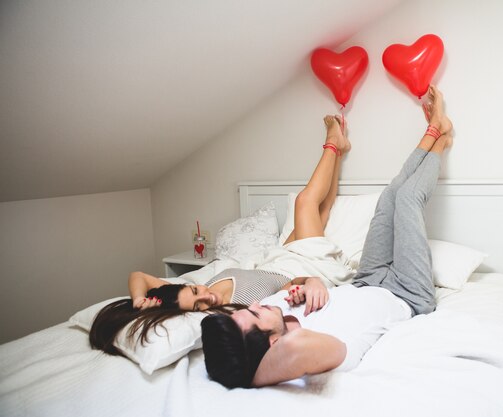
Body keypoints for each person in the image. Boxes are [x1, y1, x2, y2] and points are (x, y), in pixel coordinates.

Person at [201, 85, 453, 388]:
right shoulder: (328, 348)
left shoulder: (276, 311)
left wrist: (311, 282)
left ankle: (435, 131)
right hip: (408, 294)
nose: (254, 305)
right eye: (253, 317)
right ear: (271, 347)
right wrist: (248, 374)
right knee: (409, 199)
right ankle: (439, 139)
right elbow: (294, 350)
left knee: (389, 197)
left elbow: (289, 284)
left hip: (366, 278)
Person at [89, 115, 354, 355]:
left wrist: (139, 301)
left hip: (279, 256)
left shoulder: (183, 295)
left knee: (323, 211)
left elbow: (138, 276)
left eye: (196, 290)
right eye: (198, 307)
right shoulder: (238, 310)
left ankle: (339, 151)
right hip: (302, 266)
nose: (207, 296)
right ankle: (332, 141)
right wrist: (307, 283)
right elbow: (286, 289)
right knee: (305, 202)